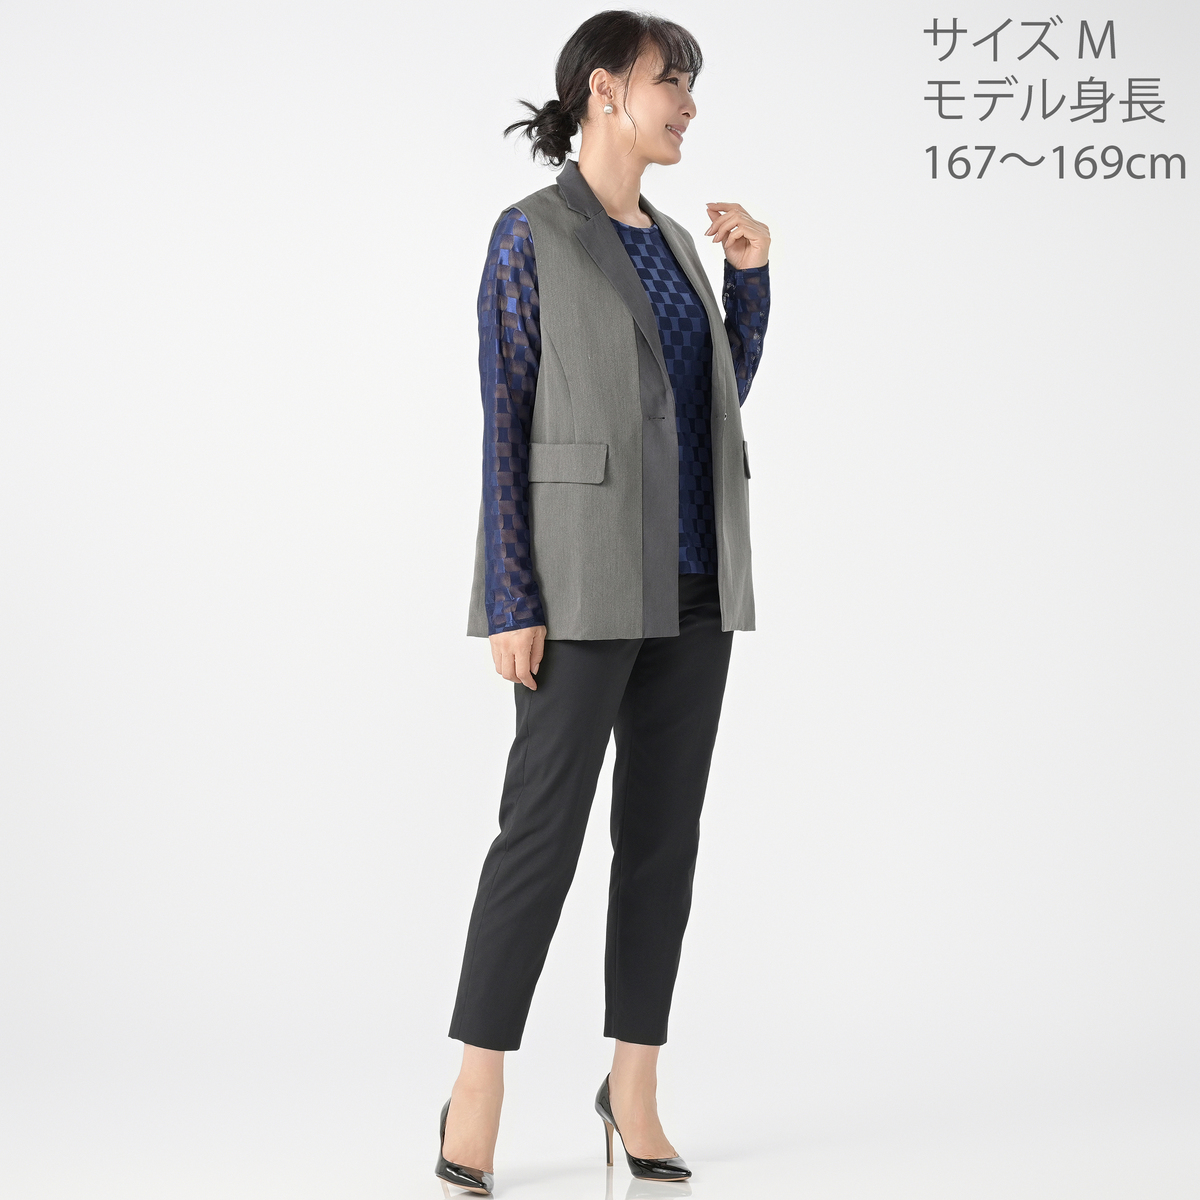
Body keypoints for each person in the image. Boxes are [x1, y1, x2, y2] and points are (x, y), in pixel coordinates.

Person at [436, 11, 771, 1195]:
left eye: (691, 83)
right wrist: (509, 597)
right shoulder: (531, 233)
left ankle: (633, 1087)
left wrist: (748, 285)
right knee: (539, 837)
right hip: (577, 585)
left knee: (662, 843)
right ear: (603, 91)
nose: (688, 103)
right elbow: (505, 419)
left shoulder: (678, 241)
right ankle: (477, 1082)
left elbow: (710, 403)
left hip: (694, 586)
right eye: (670, 80)